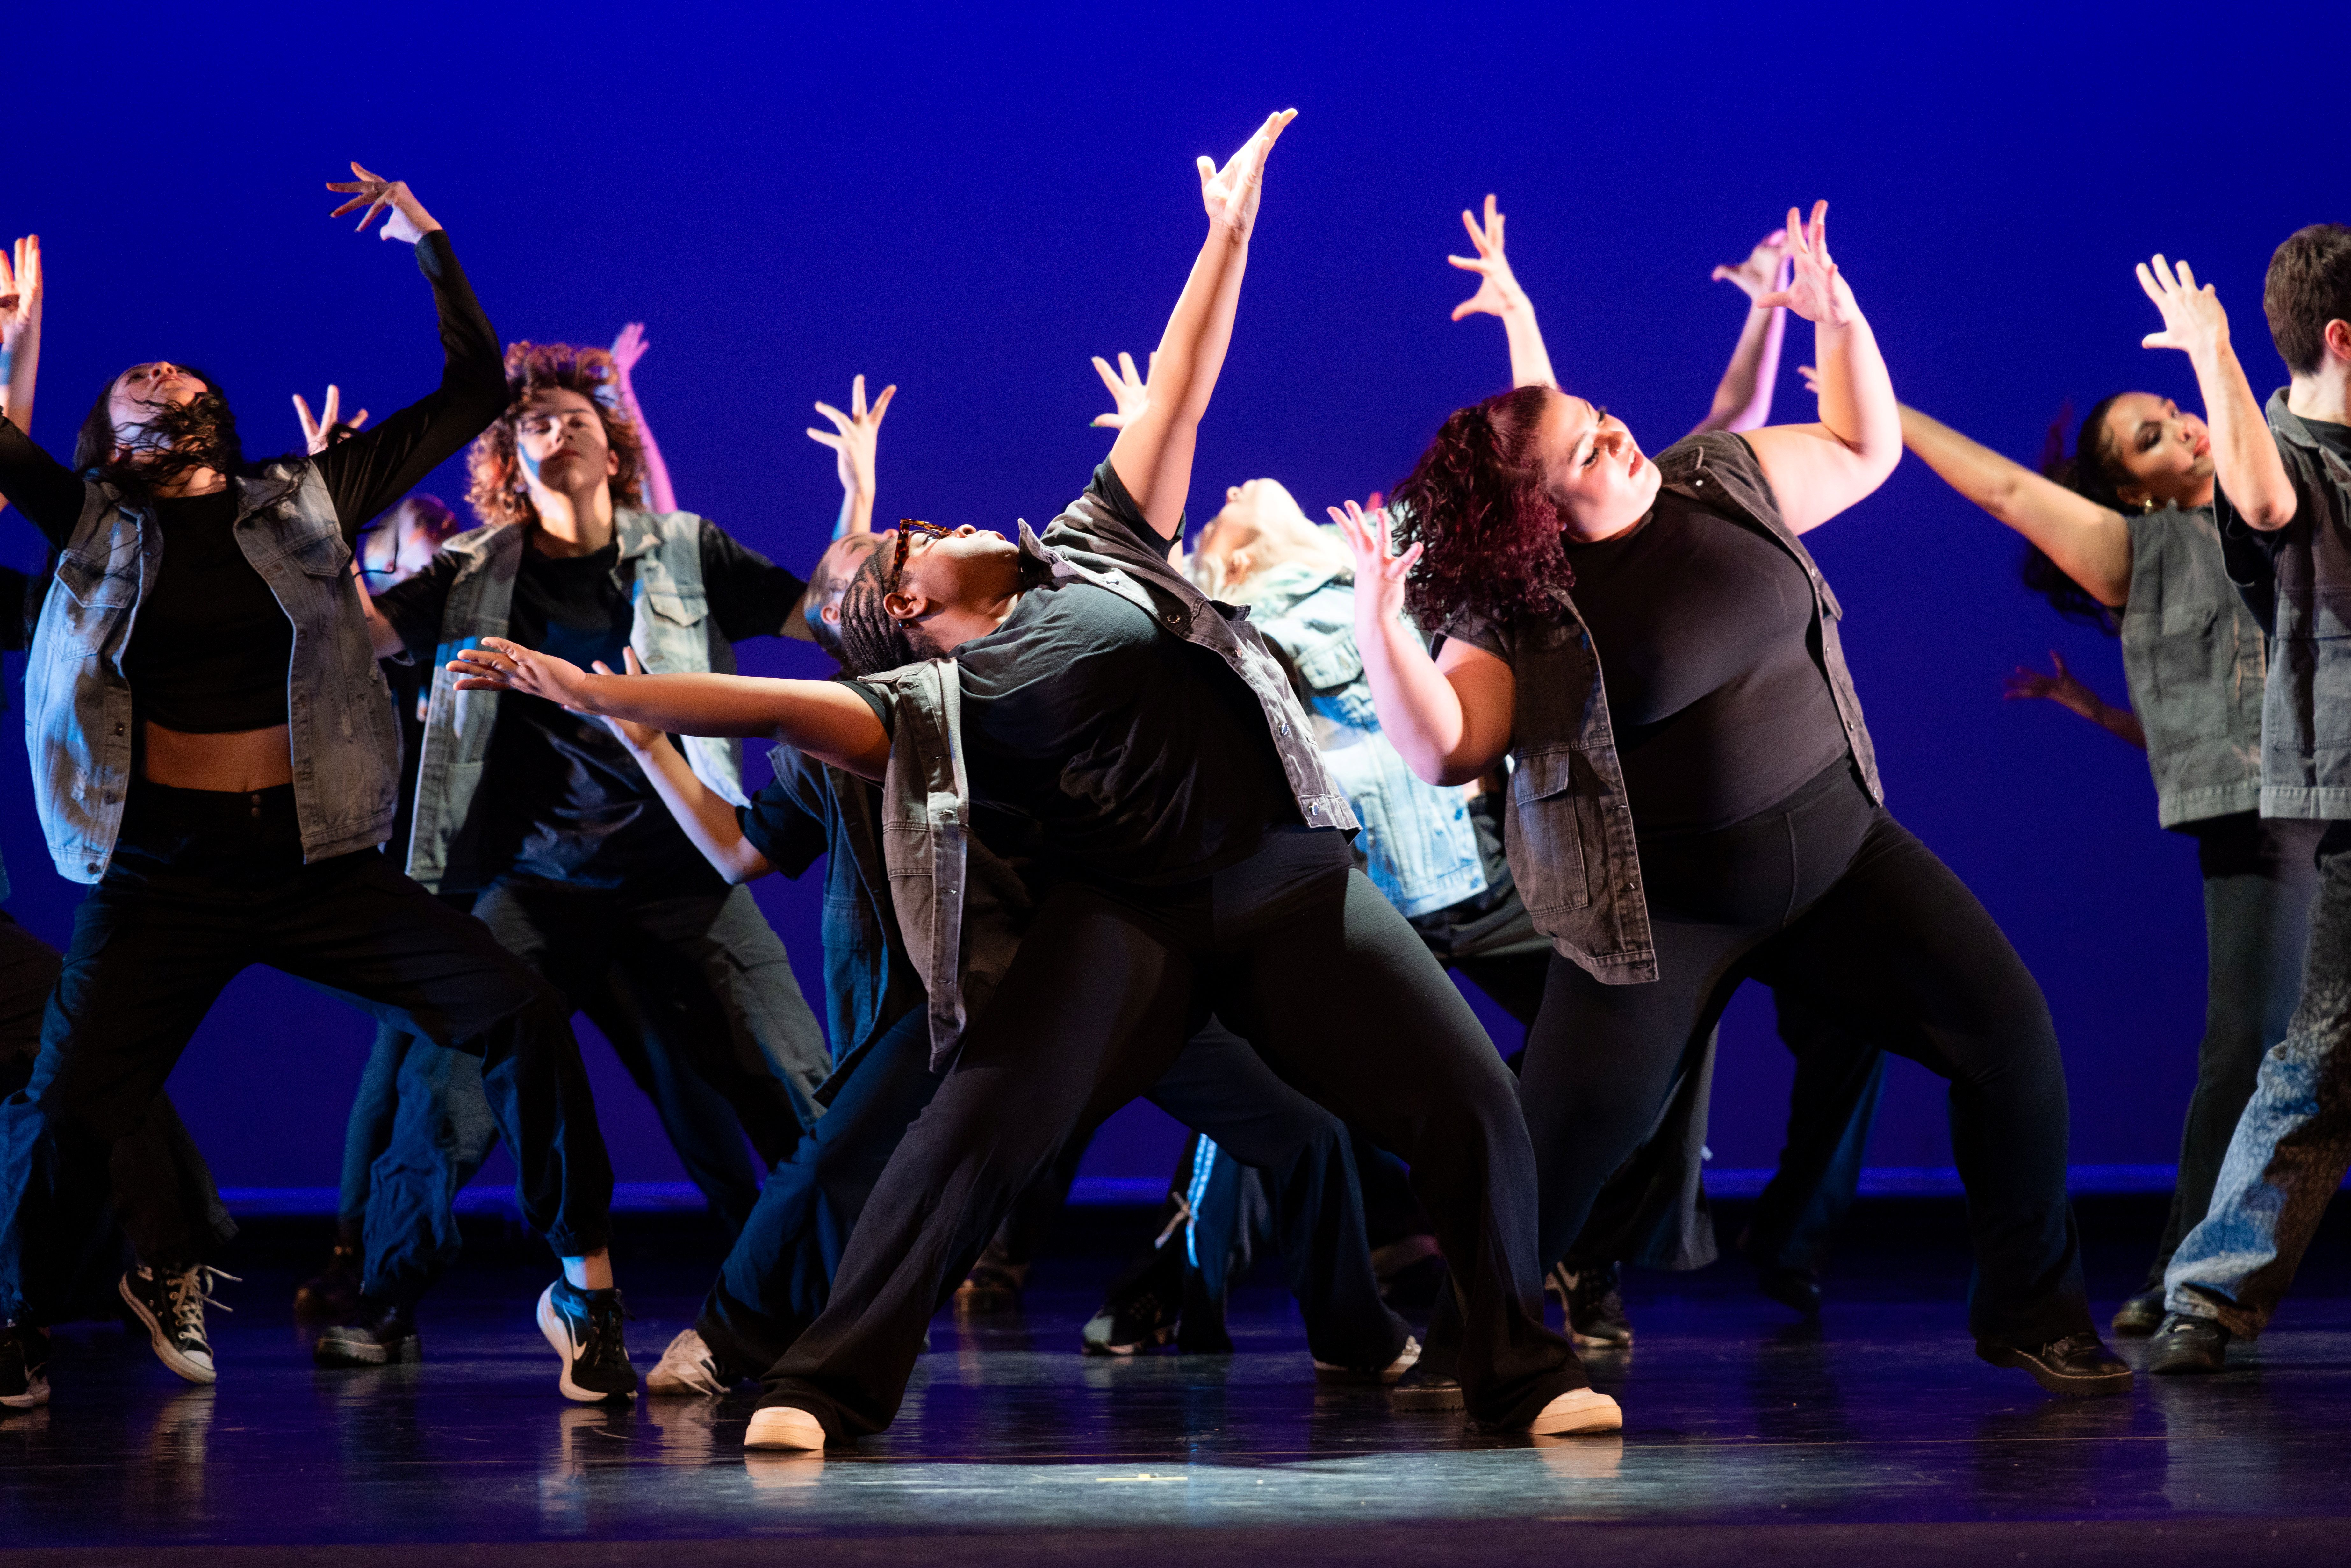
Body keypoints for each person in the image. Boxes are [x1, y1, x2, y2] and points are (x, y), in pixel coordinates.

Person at [453, 110, 1613, 1447]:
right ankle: (823, 1385)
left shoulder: (1092, 539)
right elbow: (774, 697)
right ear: (907, 603)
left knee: (1467, 1095)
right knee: (970, 1127)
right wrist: (607, 694)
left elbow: (1180, 388)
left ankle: (1521, 1367)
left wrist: (1226, 236)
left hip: (1292, 883)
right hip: (1129, 922)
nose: (943, 525)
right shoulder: (939, 694)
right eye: (918, 539)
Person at [1340, 201, 2129, 1397]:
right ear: (1539, 514)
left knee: (2009, 1037)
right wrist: (1375, 626)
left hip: (1839, 856)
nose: (1616, 436)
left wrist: (1838, 315)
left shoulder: (1719, 478)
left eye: (1604, 419)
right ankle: (1477, 1346)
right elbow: (1445, 749)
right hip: (1658, 915)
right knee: (1557, 1159)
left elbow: (1864, 446)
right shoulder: (1527, 617)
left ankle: (2034, 1309)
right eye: (1585, 451)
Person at [0, 166, 632, 1408]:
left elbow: (467, 391)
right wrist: (16, 352)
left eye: (176, 376)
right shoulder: (89, 525)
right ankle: (19, 1314)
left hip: (313, 865)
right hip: (158, 876)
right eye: (133, 380)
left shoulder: (302, 498)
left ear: (212, 414)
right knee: (71, 1105)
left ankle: (584, 1286)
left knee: (520, 1015)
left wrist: (427, 238)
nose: (159, 375)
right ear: (109, 435)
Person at [324, 336, 832, 1365]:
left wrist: (857, 501)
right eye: (534, 423)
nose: (556, 431)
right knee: (446, 1096)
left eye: (577, 420)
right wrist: (320, 517)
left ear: (614, 450)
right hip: (529, 885)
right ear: (510, 456)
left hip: (675, 881)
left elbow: (823, 616)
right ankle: (386, 1300)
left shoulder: (688, 548)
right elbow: (359, 637)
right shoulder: (471, 569)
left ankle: (831, 1288)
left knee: (790, 1077)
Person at [1442, 197, 1893, 1332]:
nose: (1607, 436)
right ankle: (1529, 1270)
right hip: (1558, 854)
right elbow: (1543, 465)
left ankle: (1592, 1257)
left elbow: (1628, 437)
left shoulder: (1643, 483)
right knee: (1603, 1079)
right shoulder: (1497, 570)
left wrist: (1764, 321)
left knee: (1665, 1071)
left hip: (1679, 851)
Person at [1897, 378, 2313, 1339]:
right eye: (2150, 438)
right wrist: (1892, 407)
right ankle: (2186, 1271)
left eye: (2176, 412)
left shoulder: (2281, 505)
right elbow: (2004, 490)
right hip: (2262, 821)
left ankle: (2194, 1271)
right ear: (2132, 491)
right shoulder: (2142, 551)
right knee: (2243, 1046)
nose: (2182, 430)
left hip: (2328, 795)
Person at [2136, 227, 2351, 1373]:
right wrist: (2213, 358)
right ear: (2342, 338)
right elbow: (2265, 506)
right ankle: (2209, 1295)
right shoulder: (2287, 453)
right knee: (2317, 1056)